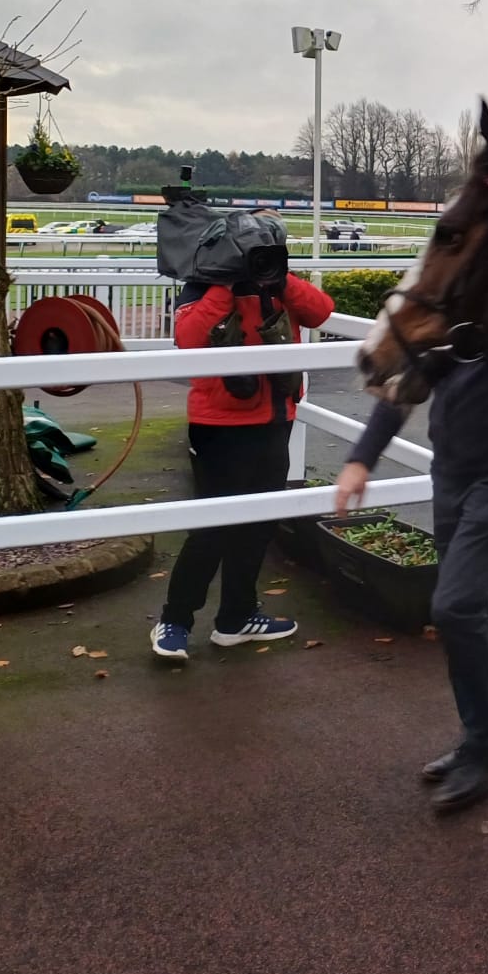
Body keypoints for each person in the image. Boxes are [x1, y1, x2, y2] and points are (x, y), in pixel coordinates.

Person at [333, 310, 488, 812]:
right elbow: (408, 380)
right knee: (468, 608)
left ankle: (482, 744)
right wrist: (361, 458)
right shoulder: (453, 298)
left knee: (455, 605)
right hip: (450, 471)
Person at [151, 232, 335, 660]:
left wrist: (279, 279)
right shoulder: (204, 283)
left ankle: (236, 618)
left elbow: (320, 311)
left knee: (258, 526)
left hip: (275, 420)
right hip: (219, 424)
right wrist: (227, 285)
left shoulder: (276, 280)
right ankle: (175, 620)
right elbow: (189, 338)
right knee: (212, 526)